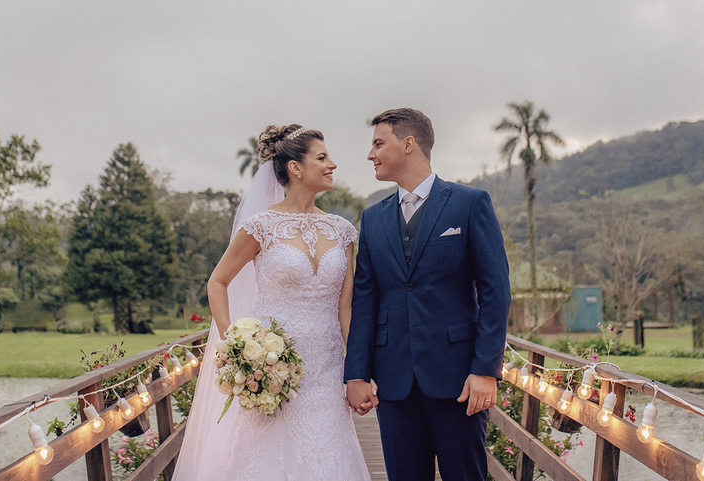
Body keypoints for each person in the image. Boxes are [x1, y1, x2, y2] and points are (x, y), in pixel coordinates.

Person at [174, 124, 372, 481]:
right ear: (295, 168)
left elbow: (346, 307)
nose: (333, 165)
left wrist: (356, 369)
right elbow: (217, 282)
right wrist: (234, 343)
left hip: (327, 371)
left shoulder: (342, 230)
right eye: (322, 158)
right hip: (272, 367)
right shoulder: (260, 226)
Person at [344, 108, 511, 481]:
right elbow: (365, 299)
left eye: (377, 144)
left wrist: (486, 370)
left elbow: (495, 292)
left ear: (408, 144)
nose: (370, 154)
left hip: (458, 379)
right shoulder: (372, 218)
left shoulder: (469, 204)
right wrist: (356, 373)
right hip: (394, 381)